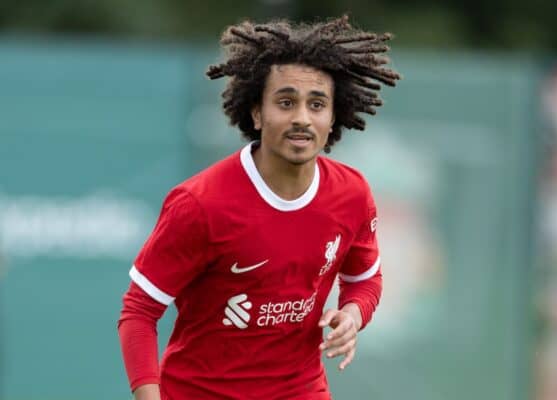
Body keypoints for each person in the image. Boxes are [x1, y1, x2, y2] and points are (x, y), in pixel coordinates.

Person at [118, 15, 400, 400]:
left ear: (332, 117)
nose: (302, 117)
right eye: (286, 102)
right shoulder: (200, 203)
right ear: (256, 113)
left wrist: (352, 316)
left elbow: (364, 280)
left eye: (316, 104)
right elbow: (139, 312)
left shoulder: (351, 193)